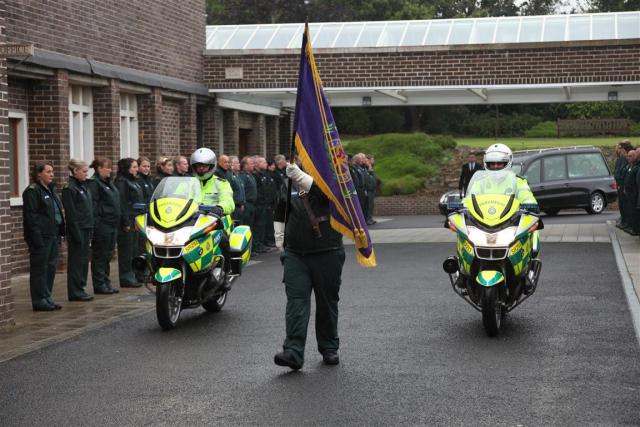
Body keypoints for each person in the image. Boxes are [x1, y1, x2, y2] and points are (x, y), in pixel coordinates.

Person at [274, 160, 345, 370]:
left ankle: (329, 347)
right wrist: (279, 237)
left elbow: (329, 196)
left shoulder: (331, 177)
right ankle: (293, 352)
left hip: (327, 252)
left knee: (327, 301)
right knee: (296, 302)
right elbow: (280, 209)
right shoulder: (289, 181)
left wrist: (301, 177)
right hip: (296, 254)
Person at [23, 162, 66, 311]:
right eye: (48, 172)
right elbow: (31, 218)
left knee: (50, 267)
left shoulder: (51, 190)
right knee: (40, 269)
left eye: (52, 171)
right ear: (39, 174)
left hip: (53, 234)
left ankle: (47, 297)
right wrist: (36, 239)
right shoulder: (32, 191)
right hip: (41, 237)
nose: (52, 174)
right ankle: (39, 299)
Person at [190, 148, 235, 276]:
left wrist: (220, 208)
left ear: (211, 166)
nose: (201, 169)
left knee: (222, 238)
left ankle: (227, 269)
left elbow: (228, 200)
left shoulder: (220, 183)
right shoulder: (188, 183)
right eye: (198, 166)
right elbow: (174, 199)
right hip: (193, 221)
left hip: (215, 220)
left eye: (204, 166)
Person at [61, 159, 94, 302]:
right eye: (84, 171)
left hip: (86, 227)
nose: (86, 174)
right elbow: (71, 213)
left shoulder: (83, 186)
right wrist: (76, 232)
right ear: (75, 171)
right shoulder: (70, 188)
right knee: (76, 261)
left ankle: (81, 287)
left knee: (83, 260)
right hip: (78, 229)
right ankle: (75, 291)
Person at [88, 157, 120, 295]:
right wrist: (97, 224)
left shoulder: (108, 183)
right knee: (100, 255)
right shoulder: (95, 183)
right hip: (103, 225)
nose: (110, 170)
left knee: (108, 255)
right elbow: (94, 206)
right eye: (108, 167)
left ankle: (106, 282)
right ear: (99, 168)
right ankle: (99, 284)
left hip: (112, 224)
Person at [468, 143, 537, 206]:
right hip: (483, 218)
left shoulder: (517, 182)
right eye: (492, 163)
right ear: (487, 164)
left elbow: (526, 196)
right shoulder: (481, 182)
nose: (495, 166)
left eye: (499, 163)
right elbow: (469, 199)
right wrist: (463, 206)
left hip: (511, 219)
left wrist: (529, 203)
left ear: (508, 163)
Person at [115, 158, 144, 288]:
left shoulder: (134, 181)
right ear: (126, 168)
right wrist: (125, 222)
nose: (136, 169)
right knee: (127, 250)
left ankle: (133, 274)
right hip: (128, 219)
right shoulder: (122, 182)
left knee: (134, 249)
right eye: (133, 167)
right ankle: (126, 276)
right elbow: (122, 203)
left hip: (136, 219)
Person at [254, 156, 278, 252]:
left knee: (263, 225)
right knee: (258, 226)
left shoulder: (265, 174)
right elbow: (259, 191)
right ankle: (258, 244)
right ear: (257, 164)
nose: (265, 164)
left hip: (267, 204)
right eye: (263, 162)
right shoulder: (256, 176)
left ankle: (262, 242)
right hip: (260, 204)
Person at [214, 154, 243, 218]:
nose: (227, 164)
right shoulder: (217, 173)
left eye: (228, 162)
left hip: (233, 204)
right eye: (225, 162)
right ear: (219, 162)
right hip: (224, 205)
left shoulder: (229, 172)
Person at [238, 156, 258, 251]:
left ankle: (251, 248)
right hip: (247, 204)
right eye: (251, 163)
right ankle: (246, 249)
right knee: (246, 227)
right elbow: (243, 191)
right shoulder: (243, 176)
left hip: (252, 204)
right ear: (245, 165)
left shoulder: (250, 175)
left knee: (252, 227)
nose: (253, 165)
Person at [614, 141, 632, 229]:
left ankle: (627, 222)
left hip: (624, 186)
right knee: (622, 204)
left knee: (626, 205)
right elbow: (618, 172)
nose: (618, 150)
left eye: (620, 149)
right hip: (619, 185)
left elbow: (622, 173)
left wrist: (621, 184)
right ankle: (624, 220)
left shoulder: (625, 159)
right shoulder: (620, 159)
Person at [623, 149, 639, 236]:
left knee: (634, 211)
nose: (628, 158)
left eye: (630, 156)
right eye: (628, 156)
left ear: (635, 156)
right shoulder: (630, 166)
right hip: (628, 191)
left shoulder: (636, 167)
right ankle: (632, 226)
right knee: (629, 210)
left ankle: (635, 229)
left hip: (633, 192)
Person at [230, 155, 246, 223]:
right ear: (231, 165)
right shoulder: (230, 176)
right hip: (234, 207)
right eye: (237, 163)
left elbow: (241, 191)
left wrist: (243, 203)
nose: (239, 164)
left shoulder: (237, 176)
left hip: (240, 207)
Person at [364, 155, 378, 226]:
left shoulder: (370, 168)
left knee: (371, 205)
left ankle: (370, 218)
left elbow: (374, 178)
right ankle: (367, 219)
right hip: (368, 190)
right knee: (368, 205)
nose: (373, 161)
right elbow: (366, 180)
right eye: (372, 160)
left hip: (372, 189)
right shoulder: (365, 169)